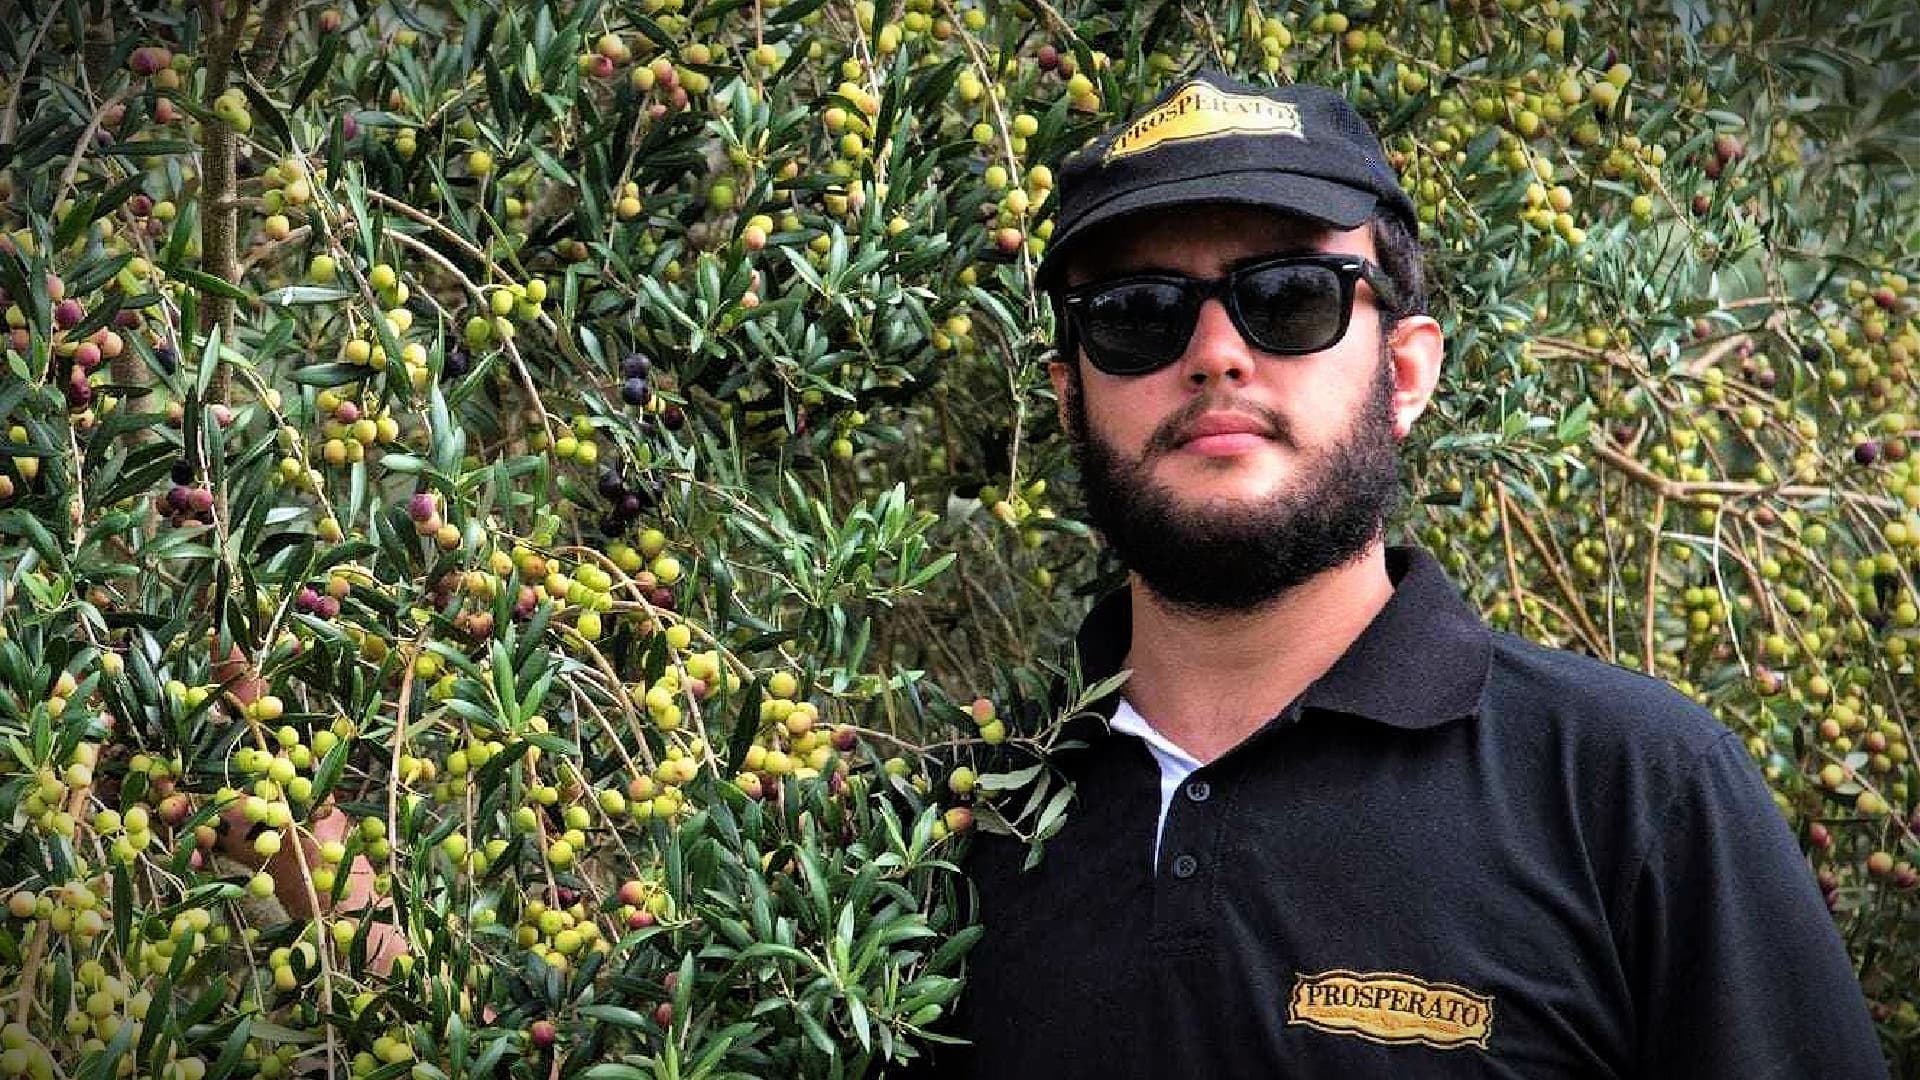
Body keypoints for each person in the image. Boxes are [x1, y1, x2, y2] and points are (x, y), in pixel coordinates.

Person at [918, 69, 1887, 1078]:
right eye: (1139, 312)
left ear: (1408, 372)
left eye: (1290, 297)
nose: (1214, 355)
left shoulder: (1634, 795)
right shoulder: (938, 831)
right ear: (1070, 398)